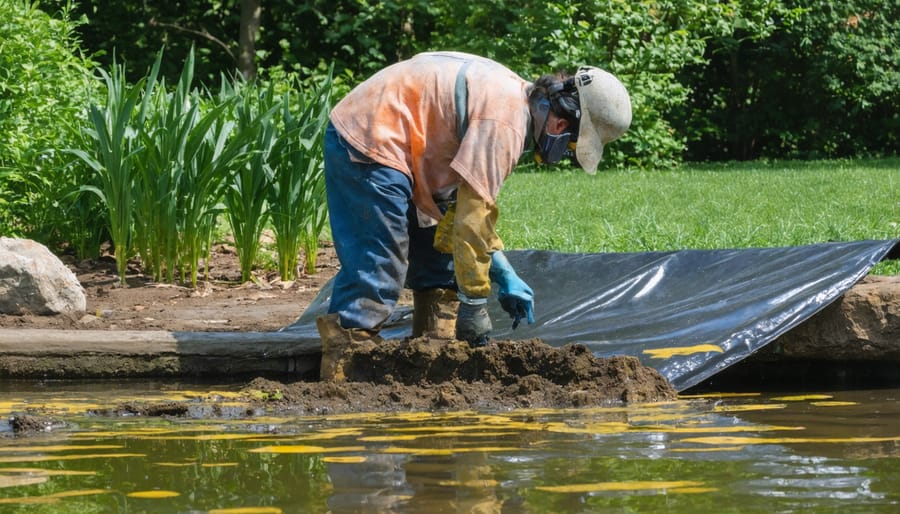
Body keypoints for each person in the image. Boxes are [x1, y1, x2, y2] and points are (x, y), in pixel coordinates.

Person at [317, 51, 631, 381]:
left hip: (403, 142)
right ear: (561, 124)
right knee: (379, 260)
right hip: (370, 136)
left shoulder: (513, 104)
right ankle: (345, 368)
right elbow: (471, 220)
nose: (564, 152)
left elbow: (462, 212)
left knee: (438, 257)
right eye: (569, 146)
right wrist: (475, 303)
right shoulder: (504, 124)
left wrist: (503, 271)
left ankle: (432, 358)